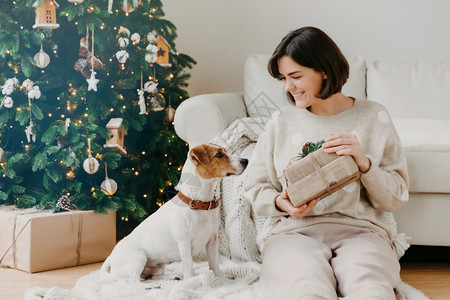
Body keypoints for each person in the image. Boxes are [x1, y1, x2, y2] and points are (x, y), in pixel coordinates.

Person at [244, 26, 409, 300]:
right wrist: (280, 203)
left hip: (362, 232)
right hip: (294, 233)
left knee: (370, 290)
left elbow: (395, 196)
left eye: (296, 76)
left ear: (324, 70)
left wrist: (364, 164)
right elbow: (255, 186)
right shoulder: (280, 122)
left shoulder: (374, 116)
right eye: (284, 78)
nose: (288, 87)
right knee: (305, 289)